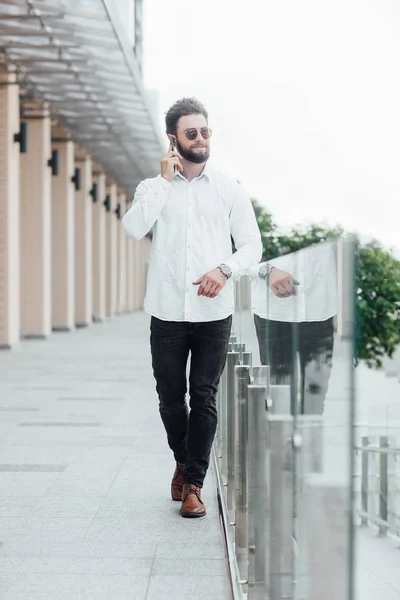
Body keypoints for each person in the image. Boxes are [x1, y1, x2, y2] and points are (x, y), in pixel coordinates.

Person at [122, 97, 262, 518]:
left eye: (205, 131)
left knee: (203, 397)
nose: (200, 139)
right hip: (166, 311)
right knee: (170, 398)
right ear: (173, 139)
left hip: (212, 313)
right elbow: (132, 228)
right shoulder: (152, 188)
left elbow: (253, 246)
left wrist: (224, 268)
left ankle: (194, 485)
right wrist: (164, 182)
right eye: (191, 133)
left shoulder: (228, 189)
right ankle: (182, 462)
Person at [247, 241, 338, 415]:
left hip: (319, 308)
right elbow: (242, 248)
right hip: (273, 312)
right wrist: (268, 270)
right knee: (278, 396)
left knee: (315, 397)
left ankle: (309, 441)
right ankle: (279, 441)